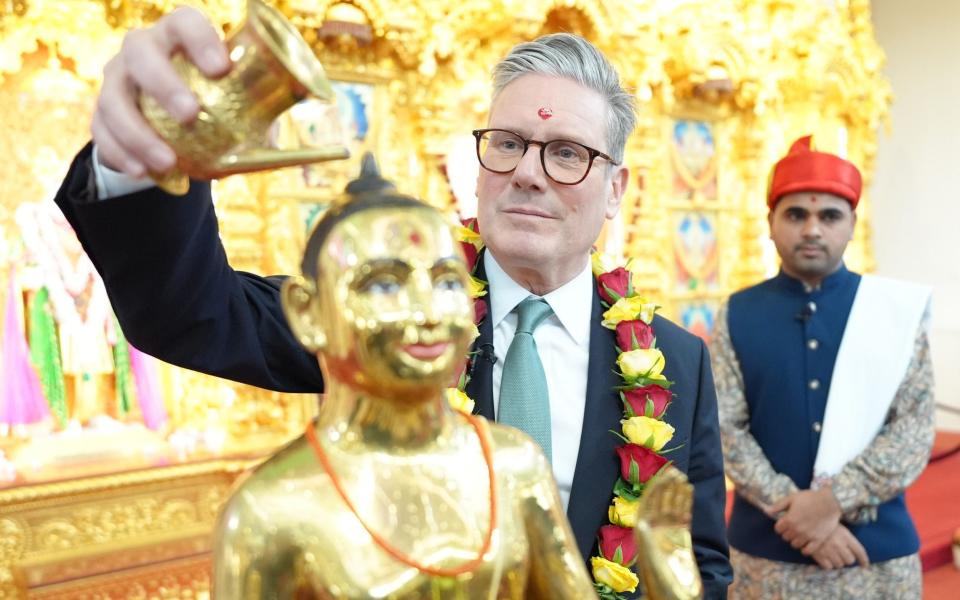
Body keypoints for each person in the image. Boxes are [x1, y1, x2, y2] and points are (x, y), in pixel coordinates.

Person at [52, 7, 732, 596]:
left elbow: (697, 557)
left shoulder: (674, 363)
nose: (527, 172)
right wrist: (138, 165)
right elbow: (192, 312)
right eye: (509, 144)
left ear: (617, 188)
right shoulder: (377, 319)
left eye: (565, 153)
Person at [710, 136, 935, 598]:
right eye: (796, 215)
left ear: (852, 224)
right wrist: (798, 514)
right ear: (770, 223)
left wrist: (833, 501)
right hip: (767, 559)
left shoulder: (893, 313)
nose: (812, 229)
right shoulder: (738, 313)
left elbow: (912, 429)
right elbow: (725, 430)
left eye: (829, 216)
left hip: (877, 559)